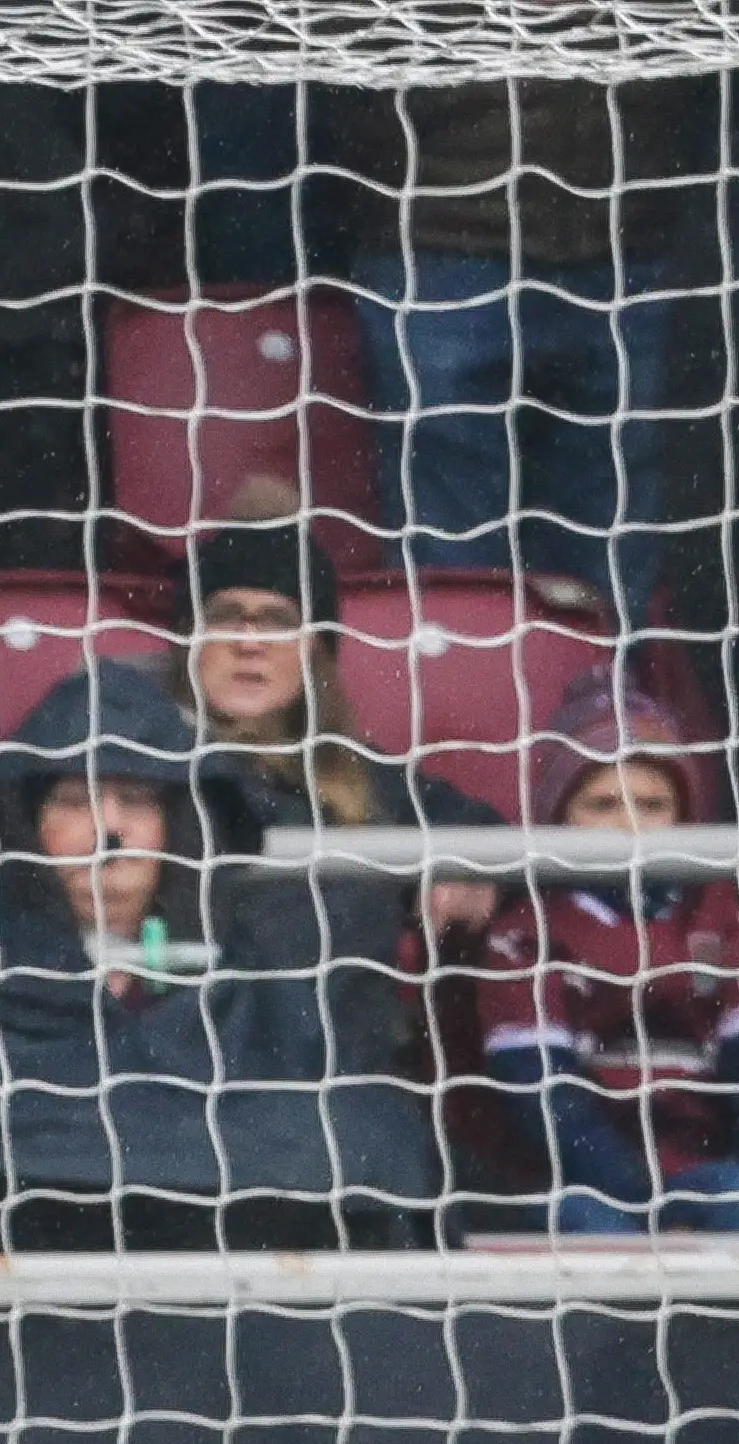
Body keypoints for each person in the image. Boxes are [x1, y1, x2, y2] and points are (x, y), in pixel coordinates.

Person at [0, 662, 431, 1249]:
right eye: (75, 801)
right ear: (25, 824)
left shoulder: (257, 980)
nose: (110, 828)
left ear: (179, 826)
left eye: (136, 799)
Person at [329, 80, 711, 622]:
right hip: (442, 230)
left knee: (610, 552)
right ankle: (462, 700)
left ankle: (603, 698)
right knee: (452, 556)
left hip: (630, 232)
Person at [165, 519, 502, 1103]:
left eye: (277, 621)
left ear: (315, 651)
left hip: (340, 1102)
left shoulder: (361, 779)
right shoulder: (130, 759)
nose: (250, 642)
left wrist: (475, 871)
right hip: (174, 1089)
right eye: (224, 616)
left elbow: (485, 830)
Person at [475, 679, 739, 1234]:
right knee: (588, 1229)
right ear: (560, 816)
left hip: (708, 1167)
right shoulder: (527, 932)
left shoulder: (721, 916)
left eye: (652, 804)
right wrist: (646, 1198)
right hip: (585, 1182)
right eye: (602, 804)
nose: (630, 825)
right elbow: (543, 1095)